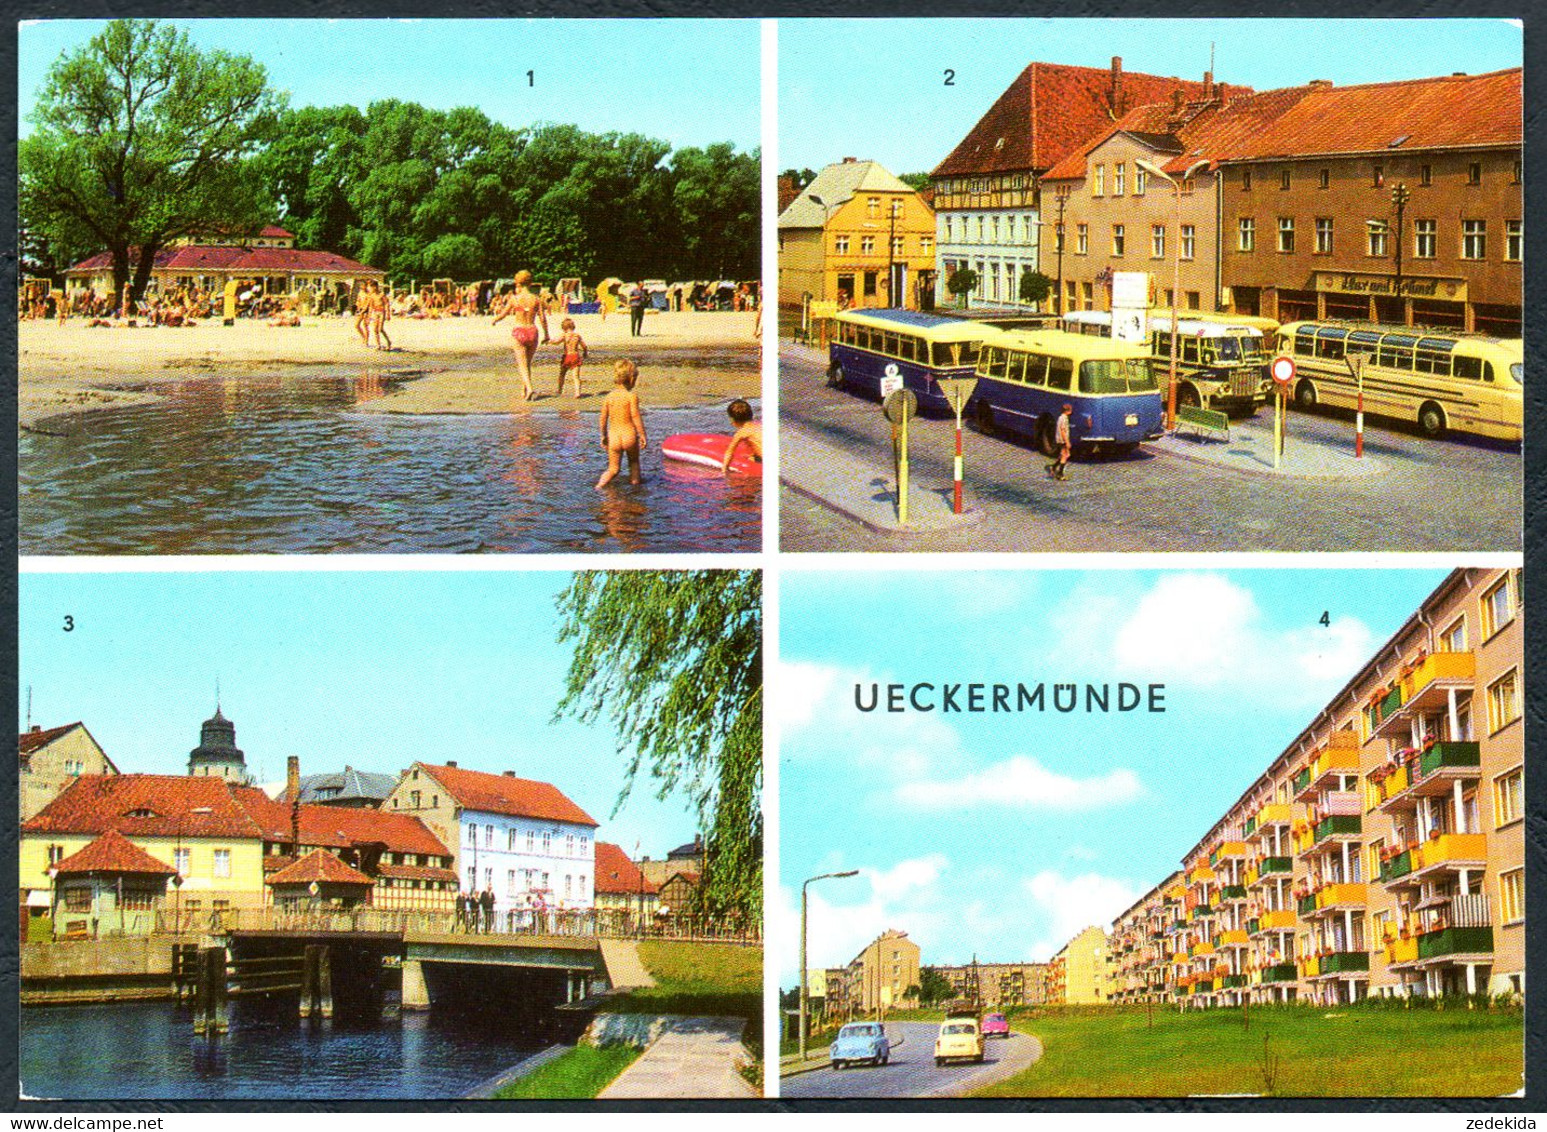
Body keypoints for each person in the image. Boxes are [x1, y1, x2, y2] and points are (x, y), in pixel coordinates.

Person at [492, 270, 549, 401]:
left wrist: (495, 320)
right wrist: (546, 334)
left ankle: (529, 388)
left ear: (518, 282)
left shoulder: (514, 299)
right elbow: (543, 318)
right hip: (532, 330)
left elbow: (504, 313)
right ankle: (524, 391)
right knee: (527, 363)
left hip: (519, 331)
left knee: (522, 365)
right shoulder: (536, 299)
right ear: (530, 282)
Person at [596, 359, 647, 489]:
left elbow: (602, 418)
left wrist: (603, 436)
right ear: (631, 379)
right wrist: (642, 435)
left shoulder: (609, 397)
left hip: (614, 438)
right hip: (629, 436)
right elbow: (636, 417)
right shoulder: (631, 397)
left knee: (613, 469)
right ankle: (635, 488)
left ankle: (599, 486)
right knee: (634, 463)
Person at [721, 399, 762, 473]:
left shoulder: (741, 432)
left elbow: (730, 452)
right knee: (753, 456)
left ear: (733, 420)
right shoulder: (760, 425)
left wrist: (724, 469)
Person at [555, 317, 588, 398]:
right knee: (576, 376)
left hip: (567, 356)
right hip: (575, 356)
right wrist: (585, 353)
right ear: (573, 326)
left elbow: (556, 342)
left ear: (564, 328)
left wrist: (549, 341)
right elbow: (584, 346)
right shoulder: (577, 336)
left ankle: (559, 390)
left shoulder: (565, 335)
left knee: (562, 374)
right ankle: (577, 393)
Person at [1047, 402, 1073, 481]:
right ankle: (1060, 474)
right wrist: (1067, 441)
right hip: (1062, 440)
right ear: (1068, 411)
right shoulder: (1064, 418)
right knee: (1065, 455)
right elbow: (1063, 430)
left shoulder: (1060, 417)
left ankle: (1054, 467)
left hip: (1059, 439)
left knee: (1066, 455)